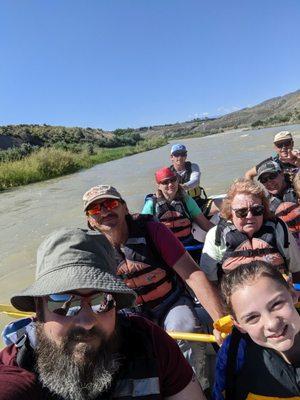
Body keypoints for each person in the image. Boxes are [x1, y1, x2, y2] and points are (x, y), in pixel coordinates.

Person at [0, 228, 207, 400]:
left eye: (102, 301)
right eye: (63, 302)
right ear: (38, 310)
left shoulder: (152, 344)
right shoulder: (15, 369)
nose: (87, 321)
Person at [82, 184, 225, 390]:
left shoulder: (153, 230)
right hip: (130, 315)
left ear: (124, 207)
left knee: (185, 328)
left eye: (111, 203)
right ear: (90, 221)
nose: (105, 211)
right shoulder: (91, 250)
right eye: (95, 209)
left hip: (170, 304)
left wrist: (220, 320)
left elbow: (192, 274)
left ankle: (199, 389)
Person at [213, 261, 300, 399]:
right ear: (238, 325)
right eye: (252, 317)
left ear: (293, 294)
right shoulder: (234, 351)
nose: (271, 324)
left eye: (277, 304)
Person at [200, 178, 300, 284]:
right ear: (230, 213)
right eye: (241, 212)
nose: (250, 216)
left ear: (264, 209)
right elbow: (209, 279)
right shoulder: (216, 235)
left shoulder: (278, 228)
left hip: (276, 293)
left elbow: (297, 268)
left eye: (257, 210)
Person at [142, 166, 214, 262]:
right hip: (165, 251)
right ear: (158, 185)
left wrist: (223, 232)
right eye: (165, 182)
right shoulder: (151, 204)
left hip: (189, 247)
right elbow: (143, 231)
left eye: (173, 180)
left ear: (177, 181)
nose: (170, 184)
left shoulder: (186, 200)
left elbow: (205, 224)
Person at [169, 144, 221, 216]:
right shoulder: (168, 173)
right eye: (177, 154)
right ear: (172, 157)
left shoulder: (193, 166)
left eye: (183, 154)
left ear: (186, 156)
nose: (180, 157)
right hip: (180, 206)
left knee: (223, 203)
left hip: (197, 202)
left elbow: (195, 181)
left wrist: (183, 186)